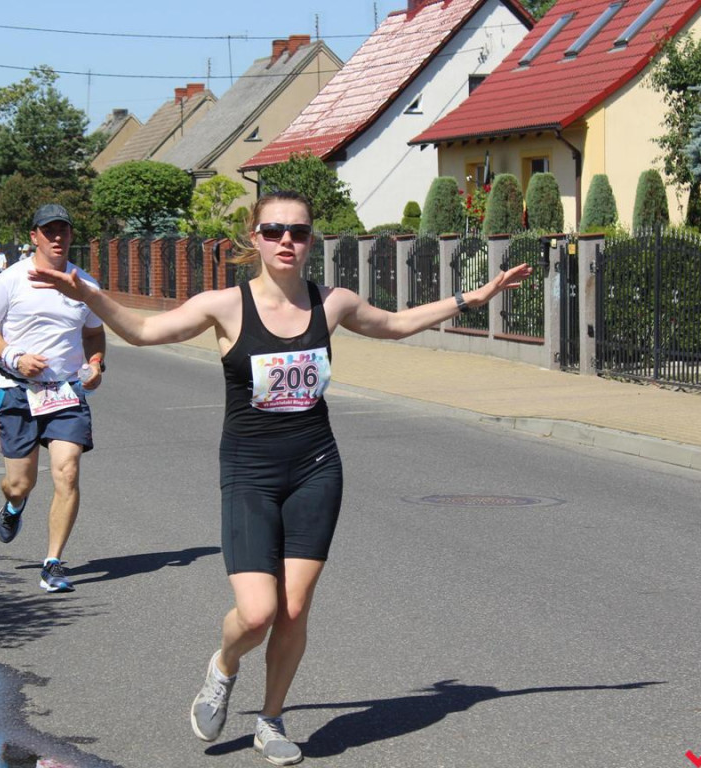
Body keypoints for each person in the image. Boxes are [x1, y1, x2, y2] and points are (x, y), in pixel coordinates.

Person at [29, 190, 532, 764]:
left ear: (311, 239)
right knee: (257, 612)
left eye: (297, 231)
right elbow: (143, 332)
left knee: (294, 610)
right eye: (273, 231)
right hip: (249, 473)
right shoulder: (224, 306)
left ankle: (271, 718)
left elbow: (394, 325)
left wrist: (475, 295)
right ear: (255, 238)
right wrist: (87, 293)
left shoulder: (333, 303)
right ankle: (223, 665)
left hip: (316, 469)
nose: (285, 240)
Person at [0, 203, 106, 594]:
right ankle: (14, 505)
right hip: (16, 390)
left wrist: (96, 363)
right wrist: (15, 356)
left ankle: (53, 563)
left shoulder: (86, 285)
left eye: (64, 229)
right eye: (49, 231)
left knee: (67, 471)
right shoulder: (11, 280)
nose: (58, 237)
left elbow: (94, 333)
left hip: (65, 392)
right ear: (34, 236)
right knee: (20, 483)